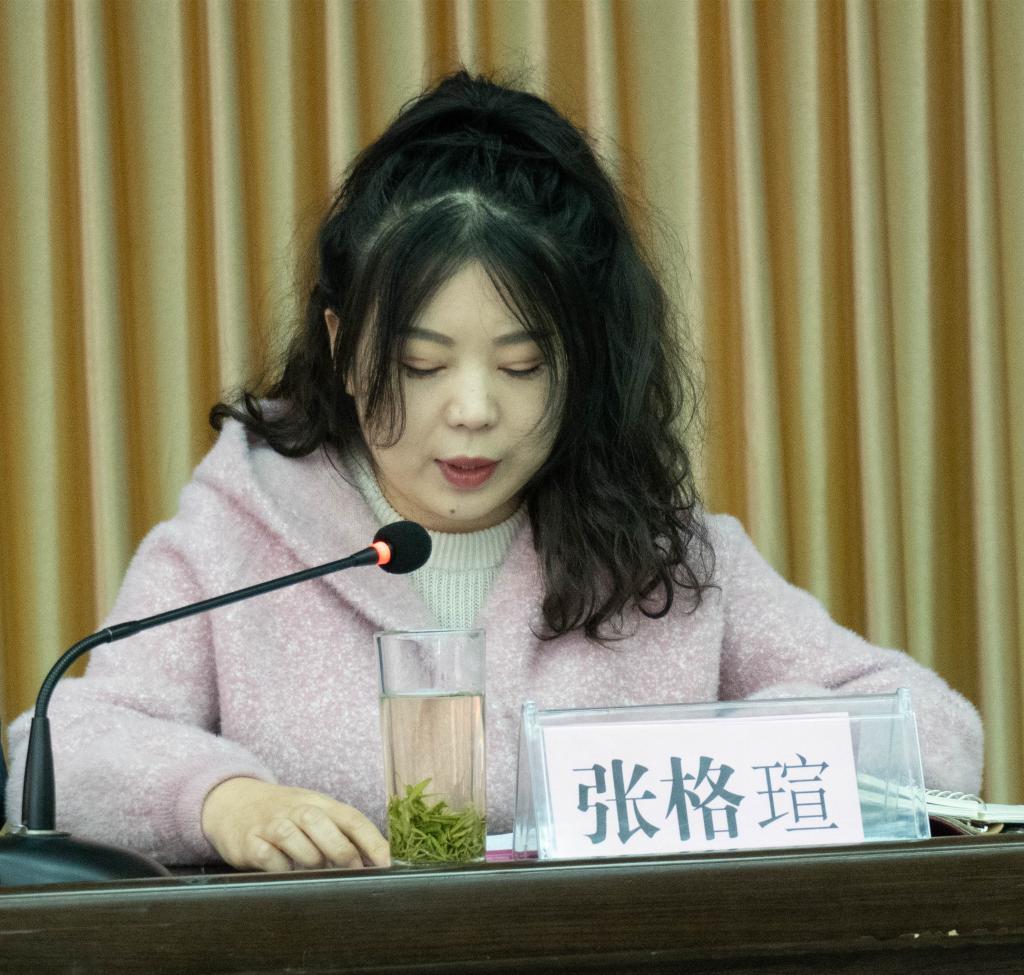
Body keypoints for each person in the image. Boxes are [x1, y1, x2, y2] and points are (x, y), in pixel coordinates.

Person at [6, 72, 982, 872]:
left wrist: (707, 762)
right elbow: (62, 749)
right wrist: (223, 801)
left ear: (584, 362)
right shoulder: (238, 531)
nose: (473, 409)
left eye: (521, 367)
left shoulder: (656, 551)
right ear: (343, 347)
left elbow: (937, 738)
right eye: (422, 364)